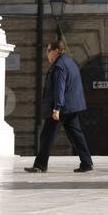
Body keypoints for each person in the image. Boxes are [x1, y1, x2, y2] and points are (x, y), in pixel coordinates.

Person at [25, 40, 93, 174]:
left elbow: (59, 88)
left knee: (47, 135)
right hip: (72, 107)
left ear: (56, 51)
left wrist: (57, 108)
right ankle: (87, 162)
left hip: (61, 108)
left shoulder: (59, 66)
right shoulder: (70, 62)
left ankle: (40, 165)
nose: (47, 54)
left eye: (48, 51)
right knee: (75, 134)